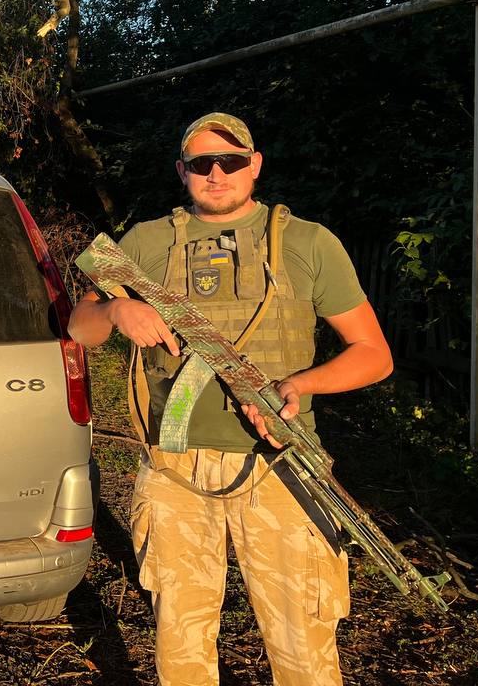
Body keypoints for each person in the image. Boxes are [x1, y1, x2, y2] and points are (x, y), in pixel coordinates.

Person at [69, 113, 393, 686]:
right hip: (174, 471)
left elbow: (374, 354)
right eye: (200, 164)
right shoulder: (146, 241)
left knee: (304, 648)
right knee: (183, 644)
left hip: (280, 469)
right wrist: (117, 310)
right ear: (182, 172)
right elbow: (80, 326)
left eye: (232, 161)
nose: (216, 174)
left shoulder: (307, 242)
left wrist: (298, 385)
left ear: (255, 165)